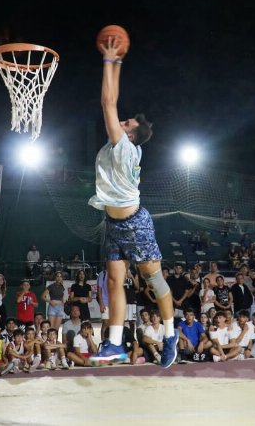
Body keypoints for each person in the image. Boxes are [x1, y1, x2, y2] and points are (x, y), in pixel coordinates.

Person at [87, 37, 178, 369]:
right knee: (113, 281)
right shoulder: (125, 145)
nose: (122, 122)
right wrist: (116, 61)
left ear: (131, 136)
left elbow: (108, 103)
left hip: (135, 224)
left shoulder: (125, 147)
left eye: (127, 125)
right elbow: (113, 105)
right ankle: (113, 344)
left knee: (154, 281)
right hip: (113, 223)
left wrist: (110, 61)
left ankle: (170, 335)